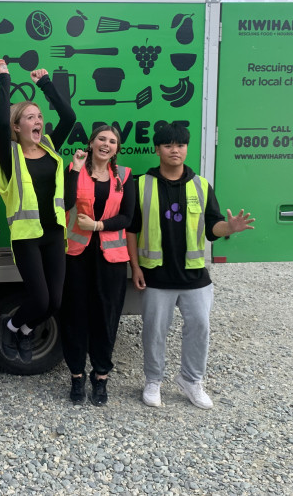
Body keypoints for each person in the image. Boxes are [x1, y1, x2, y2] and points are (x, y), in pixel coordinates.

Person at [126, 122, 254, 409]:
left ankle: (191, 380)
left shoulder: (201, 185)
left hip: (195, 276)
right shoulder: (141, 185)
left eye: (181, 145)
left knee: (200, 327)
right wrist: (135, 267)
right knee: (154, 331)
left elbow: (212, 229)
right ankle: (153, 380)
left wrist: (228, 227)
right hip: (156, 275)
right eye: (169, 145)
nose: (175, 150)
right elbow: (131, 230)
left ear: (186, 149)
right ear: (157, 149)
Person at [0, 59, 76, 364]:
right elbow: (1, 123)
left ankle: (23, 329)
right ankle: (12, 325)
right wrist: (4, 79)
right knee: (40, 299)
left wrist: (46, 85)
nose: (38, 120)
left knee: (54, 302)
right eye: (30, 117)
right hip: (26, 236)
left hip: (54, 233)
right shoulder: (8, 153)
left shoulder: (52, 146)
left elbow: (69, 115)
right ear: (18, 126)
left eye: (39, 116)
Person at [61, 126, 134, 406]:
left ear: (117, 148)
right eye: (101, 139)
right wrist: (74, 170)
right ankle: (77, 376)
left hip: (111, 261)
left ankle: (101, 376)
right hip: (77, 256)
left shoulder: (124, 176)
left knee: (106, 319)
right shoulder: (74, 168)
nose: (106, 144)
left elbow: (127, 217)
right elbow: (66, 203)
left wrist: (99, 225)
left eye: (112, 141)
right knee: (75, 317)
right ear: (91, 143)